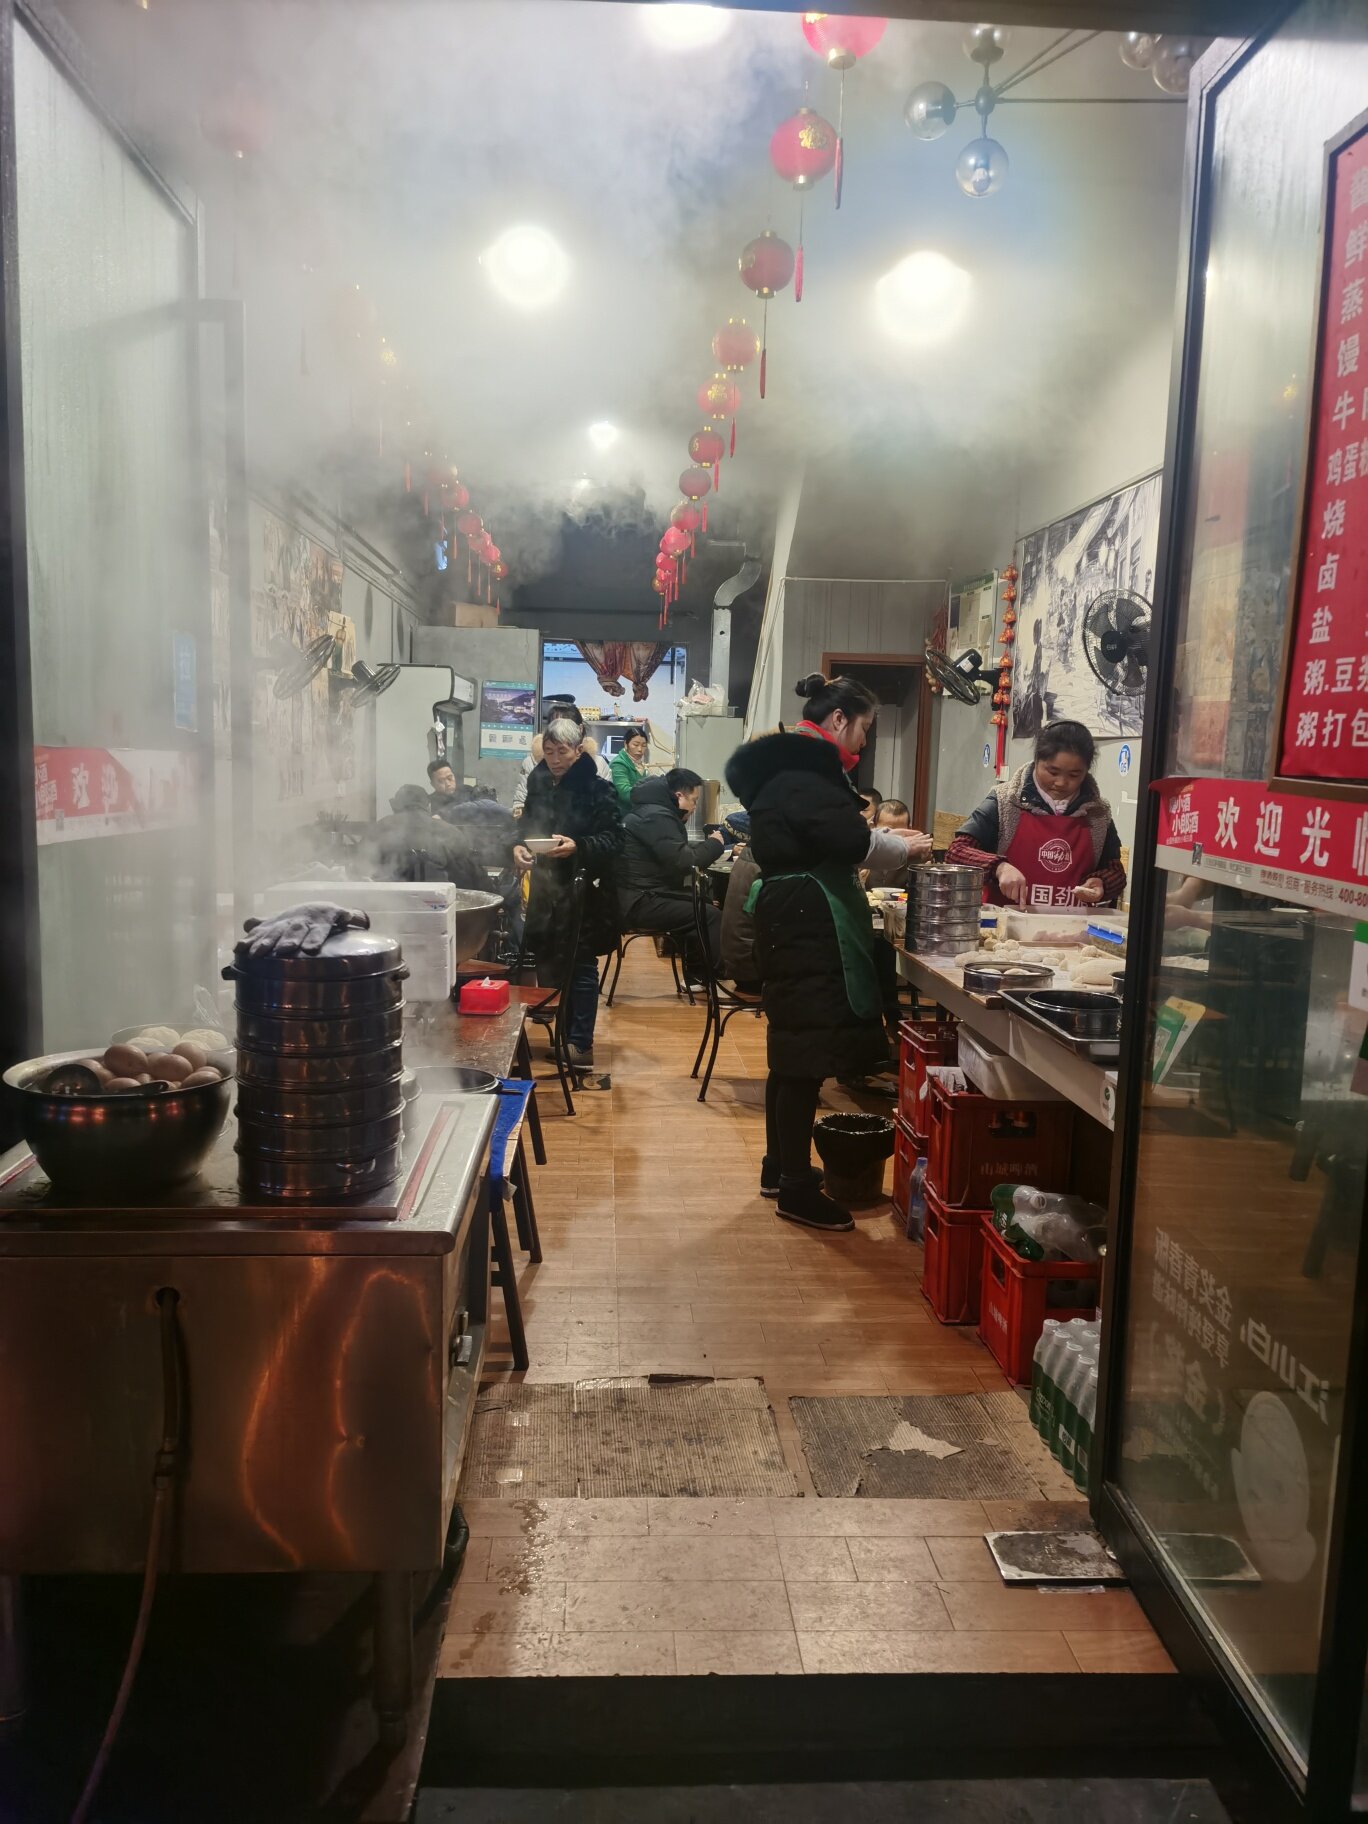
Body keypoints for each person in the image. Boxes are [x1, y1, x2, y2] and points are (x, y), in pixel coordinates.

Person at [724, 673, 929, 1233]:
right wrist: (901, 847)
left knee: (791, 1053)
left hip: (794, 912)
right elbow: (850, 841)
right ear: (839, 719)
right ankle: (795, 1189)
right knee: (803, 1059)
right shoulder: (807, 772)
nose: (863, 741)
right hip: (807, 917)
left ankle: (779, 1168)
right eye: (863, 728)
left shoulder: (790, 768)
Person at [513, 718, 624, 1070]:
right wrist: (517, 846)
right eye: (549, 752)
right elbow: (524, 827)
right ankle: (561, 1036)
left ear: (578, 750)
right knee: (549, 961)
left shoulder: (598, 789)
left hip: (583, 890)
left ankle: (580, 1044)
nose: (555, 759)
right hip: (546, 888)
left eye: (562, 751)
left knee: (581, 964)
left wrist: (579, 846)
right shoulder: (539, 785)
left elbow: (615, 840)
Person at [948, 719, 1126, 908]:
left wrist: (1101, 883)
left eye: (1074, 775)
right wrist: (999, 868)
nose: (1061, 783)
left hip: (1072, 923)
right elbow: (956, 852)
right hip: (1007, 923)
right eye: (1053, 772)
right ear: (1037, 760)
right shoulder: (1004, 801)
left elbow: (1115, 871)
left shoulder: (1098, 813)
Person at [617, 767, 723, 971]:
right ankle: (714, 978)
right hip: (640, 901)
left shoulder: (650, 810)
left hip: (638, 896)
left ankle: (698, 978)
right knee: (709, 915)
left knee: (704, 903)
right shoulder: (657, 816)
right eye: (694, 800)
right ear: (679, 796)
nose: (694, 807)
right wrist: (715, 844)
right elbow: (684, 862)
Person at [367, 785, 487, 890]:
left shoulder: (380, 827)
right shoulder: (451, 832)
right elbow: (472, 876)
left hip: (387, 903)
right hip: (440, 902)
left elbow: (361, 867)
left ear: (395, 806)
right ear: (428, 806)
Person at [512, 708, 611, 812]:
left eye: (567, 727)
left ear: (580, 729)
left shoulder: (598, 764)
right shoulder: (532, 763)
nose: (555, 760)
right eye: (554, 725)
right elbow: (520, 803)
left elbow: (607, 810)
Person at [611, 726, 650, 809]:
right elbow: (624, 793)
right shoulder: (619, 764)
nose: (640, 749)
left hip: (638, 811)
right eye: (635, 744)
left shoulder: (638, 763)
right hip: (624, 813)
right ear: (626, 744)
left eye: (644, 745)